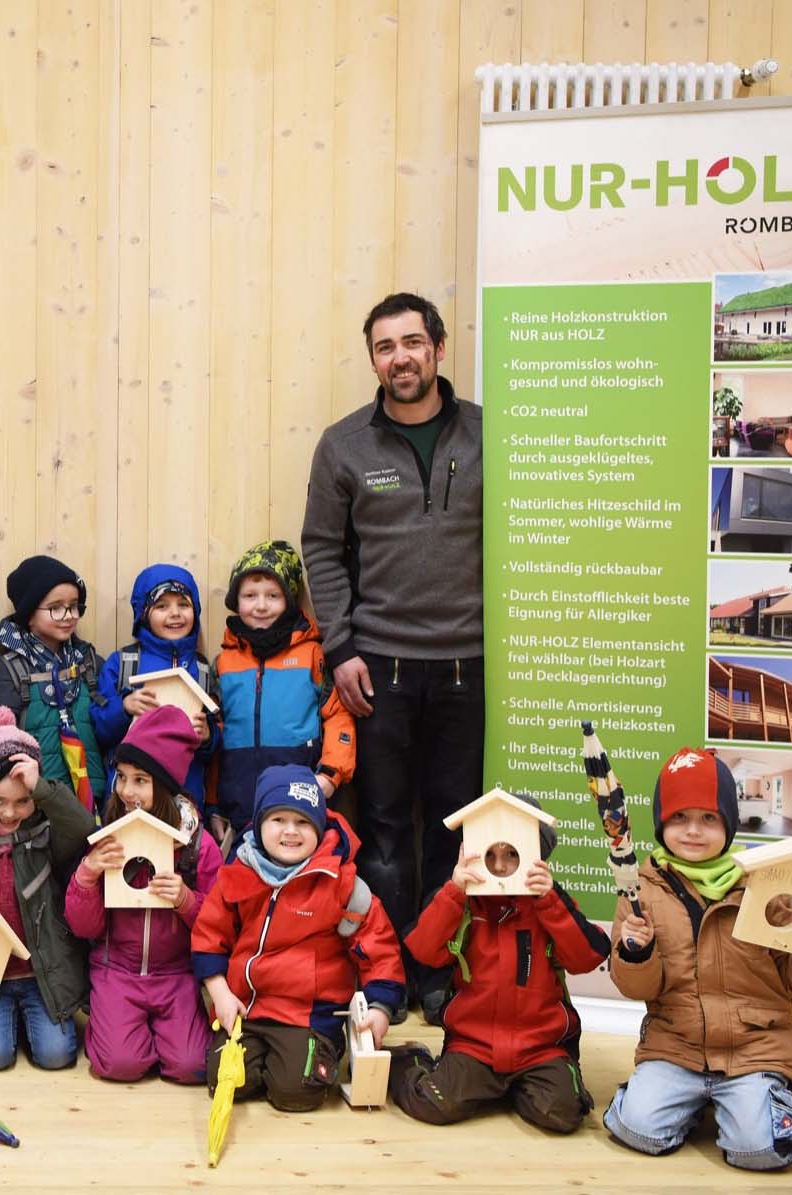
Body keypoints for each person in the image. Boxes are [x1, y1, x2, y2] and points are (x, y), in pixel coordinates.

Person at [301, 292, 484, 1023]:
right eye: (386, 346)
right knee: (382, 829)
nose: (400, 357)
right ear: (373, 358)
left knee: (449, 825)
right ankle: (392, 972)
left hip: (469, 666)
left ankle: (439, 969)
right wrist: (341, 646)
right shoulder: (344, 445)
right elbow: (321, 547)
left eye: (413, 342)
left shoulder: (489, 433)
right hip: (379, 667)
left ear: (439, 348)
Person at [603, 748, 792, 1170]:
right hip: (676, 1048)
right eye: (679, 818)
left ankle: (788, 1095)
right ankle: (694, 1104)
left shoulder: (764, 883)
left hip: (754, 1049)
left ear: (728, 824)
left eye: (709, 819)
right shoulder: (640, 889)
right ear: (661, 824)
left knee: (763, 1150)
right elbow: (637, 987)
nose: (693, 831)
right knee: (635, 1128)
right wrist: (634, 951)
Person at [389, 793, 611, 1132]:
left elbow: (588, 955)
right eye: (490, 854)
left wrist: (550, 902)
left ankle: (516, 1088)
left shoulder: (550, 904)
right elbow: (422, 949)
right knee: (433, 1103)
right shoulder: (463, 905)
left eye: (512, 853)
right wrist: (453, 891)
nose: (501, 865)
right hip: (474, 1044)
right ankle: (411, 1059)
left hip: (542, 1047)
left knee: (563, 1114)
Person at [192, 765, 404, 1113]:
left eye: (303, 822)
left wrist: (380, 1007)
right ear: (260, 825)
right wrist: (221, 995)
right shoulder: (238, 873)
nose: (291, 831)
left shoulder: (341, 884)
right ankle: (264, 1060)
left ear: (319, 829)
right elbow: (208, 936)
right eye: (278, 820)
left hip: (308, 1016)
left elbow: (380, 949)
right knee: (224, 1083)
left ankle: (322, 1049)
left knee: (295, 1093)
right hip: (246, 1010)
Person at [66, 705, 222, 1083]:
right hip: (116, 971)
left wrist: (186, 900)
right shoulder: (111, 836)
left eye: (141, 780)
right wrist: (87, 875)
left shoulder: (197, 846)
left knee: (192, 1066)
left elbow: (220, 924)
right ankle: (129, 1033)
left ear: (165, 787)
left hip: (176, 974)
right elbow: (84, 928)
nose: (127, 791)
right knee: (120, 1065)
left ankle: (157, 1035)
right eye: (122, 778)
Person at [0, 707, 95, 1071]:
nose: (10, 814)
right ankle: (7, 1022)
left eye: (21, 801)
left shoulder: (43, 832)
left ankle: (32, 1022)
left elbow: (83, 828)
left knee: (56, 1056)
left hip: (39, 977)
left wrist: (40, 787)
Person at [207, 541, 355, 843]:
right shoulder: (224, 663)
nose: (261, 606)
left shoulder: (313, 655)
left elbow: (339, 716)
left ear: (289, 599)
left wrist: (329, 775)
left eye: (273, 596)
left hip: (300, 809)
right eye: (250, 596)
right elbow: (213, 736)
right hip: (239, 807)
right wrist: (213, 804)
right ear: (236, 601)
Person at [0, 555, 107, 812]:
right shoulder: (10, 668)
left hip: (92, 796)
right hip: (38, 799)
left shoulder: (89, 660)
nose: (68, 615)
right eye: (56, 607)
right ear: (30, 615)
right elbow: (1, 737)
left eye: (74, 606)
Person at [90, 563, 218, 800]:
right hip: (127, 797)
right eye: (161, 606)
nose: (175, 613)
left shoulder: (202, 669)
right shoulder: (123, 663)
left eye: (184, 605)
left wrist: (207, 737)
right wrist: (125, 707)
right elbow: (98, 728)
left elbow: (214, 742)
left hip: (185, 798)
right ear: (143, 614)